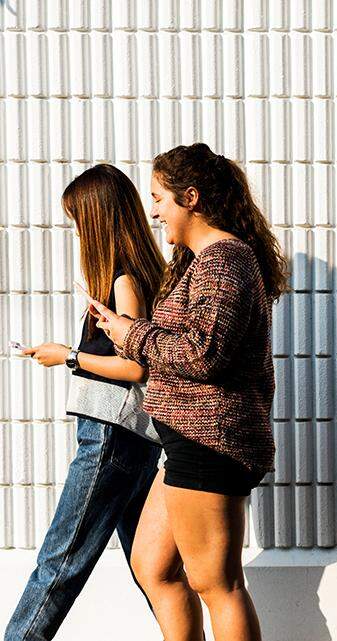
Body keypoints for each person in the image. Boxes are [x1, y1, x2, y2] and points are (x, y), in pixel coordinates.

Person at [89, 143, 288, 641]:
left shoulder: (224, 262)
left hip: (212, 440)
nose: (152, 211)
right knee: (153, 567)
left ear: (190, 197)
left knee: (217, 583)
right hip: (185, 437)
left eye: (159, 198)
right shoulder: (198, 261)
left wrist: (129, 332)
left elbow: (202, 353)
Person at [5, 164, 166, 641]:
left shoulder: (124, 281)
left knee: (58, 563)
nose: (78, 234)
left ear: (97, 221)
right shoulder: (140, 275)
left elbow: (135, 366)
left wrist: (69, 356)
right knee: (153, 570)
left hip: (110, 437)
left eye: (79, 221)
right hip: (136, 439)